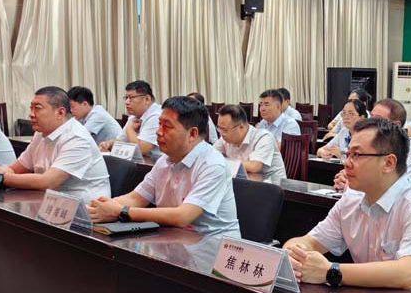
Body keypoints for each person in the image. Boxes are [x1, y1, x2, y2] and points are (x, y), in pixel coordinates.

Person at [284, 117, 411, 293]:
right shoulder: (352, 199)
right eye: (347, 154)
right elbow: (308, 241)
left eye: (357, 155)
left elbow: (407, 274)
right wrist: (294, 255)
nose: (347, 163)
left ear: (389, 163)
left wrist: (330, 271)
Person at [88, 96, 240, 237]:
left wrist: (121, 211)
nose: (158, 132)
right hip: (175, 239)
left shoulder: (213, 164)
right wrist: (98, 207)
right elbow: (136, 198)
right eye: (159, 124)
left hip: (212, 246)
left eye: (167, 126)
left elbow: (182, 216)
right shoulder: (164, 161)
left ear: (193, 134)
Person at [0, 87, 110, 203]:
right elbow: (15, 169)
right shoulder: (40, 133)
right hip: (50, 202)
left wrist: (1, 177)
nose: (31, 114)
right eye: (31, 108)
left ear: (60, 113)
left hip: (85, 210)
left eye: (37, 108)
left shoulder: (77, 138)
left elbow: (48, 182)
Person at [334, 98, 411, 190]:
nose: (370, 123)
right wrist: (347, 179)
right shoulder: (368, 145)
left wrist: (352, 185)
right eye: (371, 118)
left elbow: (400, 189)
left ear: (396, 125)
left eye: (377, 120)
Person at [214, 104, 287, 182]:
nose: (221, 133)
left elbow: (254, 167)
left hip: (271, 186)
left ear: (241, 127)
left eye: (225, 130)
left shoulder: (263, 137)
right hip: (243, 183)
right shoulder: (225, 139)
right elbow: (210, 156)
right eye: (219, 128)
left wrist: (222, 162)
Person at [99, 80, 161, 161]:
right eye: (126, 98)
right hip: (142, 162)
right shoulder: (133, 116)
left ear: (147, 99)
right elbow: (121, 140)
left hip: (159, 163)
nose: (127, 102)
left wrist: (130, 129)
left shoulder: (156, 116)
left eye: (131, 97)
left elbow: (141, 150)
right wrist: (108, 144)